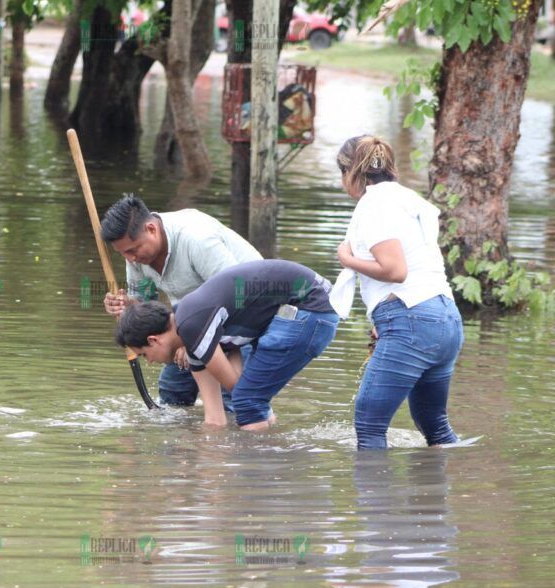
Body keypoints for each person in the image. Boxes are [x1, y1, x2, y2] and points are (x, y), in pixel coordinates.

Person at [334, 135, 463, 449]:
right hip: (446, 319)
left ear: (350, 172)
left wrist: (347, 259)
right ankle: (446, 493)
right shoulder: (407, 199)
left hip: (412, 319)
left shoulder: (374, 206)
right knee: (436, 429)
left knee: (369, 426)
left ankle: (378, 499)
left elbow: (395, 271)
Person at [114, 259, 338, 429]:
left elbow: (236, 389)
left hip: (310, 306)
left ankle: (258, 477)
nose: (150, 362)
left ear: (153, 339)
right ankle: (266, 455)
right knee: (249, 400)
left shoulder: (192, 325)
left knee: (248, 400)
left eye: (144, 355)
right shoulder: (191, 332)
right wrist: (210, 462)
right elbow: (214, 418)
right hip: (299, 311)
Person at [100, 194, 262, 408]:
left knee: (234, 402)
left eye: (132, 250)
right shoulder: (136, 256)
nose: (130, 259)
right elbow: (145, 306)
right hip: (192, 321)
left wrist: (193, 340)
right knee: (173, 391)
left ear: (151, 229)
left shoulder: (196, 239)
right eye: (123, 254)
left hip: (245, 317)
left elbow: (235, 298)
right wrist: (130, 307)